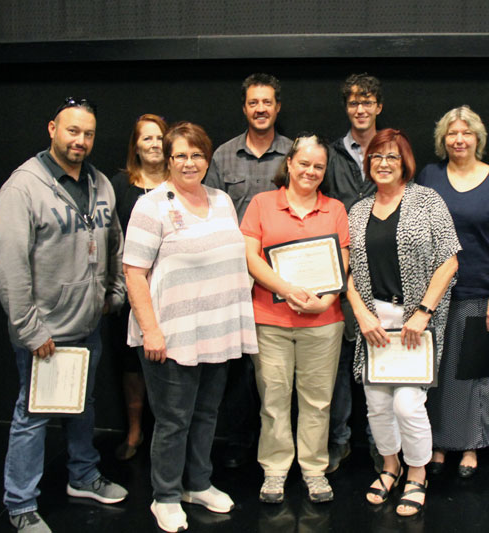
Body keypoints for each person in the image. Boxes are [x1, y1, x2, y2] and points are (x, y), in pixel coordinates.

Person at [0, 97, 127, 533]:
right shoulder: (23, 188)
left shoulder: (99, 183)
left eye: (87, 133)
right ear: (52, 128)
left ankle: (83, 475)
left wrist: (115, 294)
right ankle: (20, 504)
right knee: (33, 417)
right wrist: (31, 330)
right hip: (46, 332)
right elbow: (7, 265)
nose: (80, 141)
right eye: (72, 131)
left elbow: (115, 244)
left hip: (87, 325)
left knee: (83, 405)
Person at [124, 122, 257, 533]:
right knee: (173, 421)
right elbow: (133, 273)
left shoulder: (221, 201)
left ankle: (197, 484)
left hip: (216, 331)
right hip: (171, 334)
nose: (189, 162)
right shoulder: (152, 205)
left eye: (197, 155)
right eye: (180, 155)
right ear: (168, 159)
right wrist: (151, 330)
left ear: (208, 158)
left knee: (205, 415)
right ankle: (165, 495)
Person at [347, 128, 460, 516]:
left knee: (408, 405)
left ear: (405, 162)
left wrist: (424, 311)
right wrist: (360, 313)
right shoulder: (358, 210)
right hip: (373, 321)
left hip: (417, 321)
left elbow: (450, 260)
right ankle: (390, 466)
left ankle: (417, 471)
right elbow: (345, 272)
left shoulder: (428, 200)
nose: (383, 164)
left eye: (391, 157)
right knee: (377, 404)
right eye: (376, 157)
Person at [240, 134, 349, 505]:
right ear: (289, 163)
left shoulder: (334, 209)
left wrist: (327, 299)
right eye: (304, 163)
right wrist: (286, 289)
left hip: (323, 322)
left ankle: (314, 469)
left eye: (319, 166)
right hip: (270, 319)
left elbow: (342, 263)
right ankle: (274, 470)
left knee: (318, 402)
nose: (311, 171)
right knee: (273, 399)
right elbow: (250, 258)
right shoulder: (261, 204)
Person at [418, 106, 489, 478]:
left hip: (480, 291)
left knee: (474, 372)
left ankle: (472, 446)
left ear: (478, 138)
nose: (459, 139)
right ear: (443, 140)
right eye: (451, 134)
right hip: (436, 295)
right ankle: (441, 442)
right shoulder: (430, 176)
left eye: (466, 133)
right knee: (438, 375)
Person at [204, 73, 291, 469]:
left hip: (285, 279)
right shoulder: (221, 157)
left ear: (277, 107)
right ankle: (238, 448)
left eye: (267, 102)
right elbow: (206, 215)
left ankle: (280, 451)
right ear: (244, 107)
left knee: (279, 373)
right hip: (233, 279)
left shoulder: (294, 154)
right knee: (236, 369)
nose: (261, 109)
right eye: (254, 102)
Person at [322, 73, 381, 474]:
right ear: (346, 108)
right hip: (338, 275)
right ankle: (339, 441)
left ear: (378, 106)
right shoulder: (329, 154)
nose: (360, 109)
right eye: (353, 102)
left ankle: (382, 444)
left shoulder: (392, 149)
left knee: (381, 361)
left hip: (383, 274)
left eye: (367, 101)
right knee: (340, 364)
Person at [110, 113, 168, 461]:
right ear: (136, 145)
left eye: (160, 137)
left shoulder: (180, 184)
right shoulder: (119, 185)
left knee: (166, 365)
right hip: (130, 291)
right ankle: (134, 430)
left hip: (169, 292)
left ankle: (166, 434)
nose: (154, 144)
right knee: (131, 366)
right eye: (146, 138)